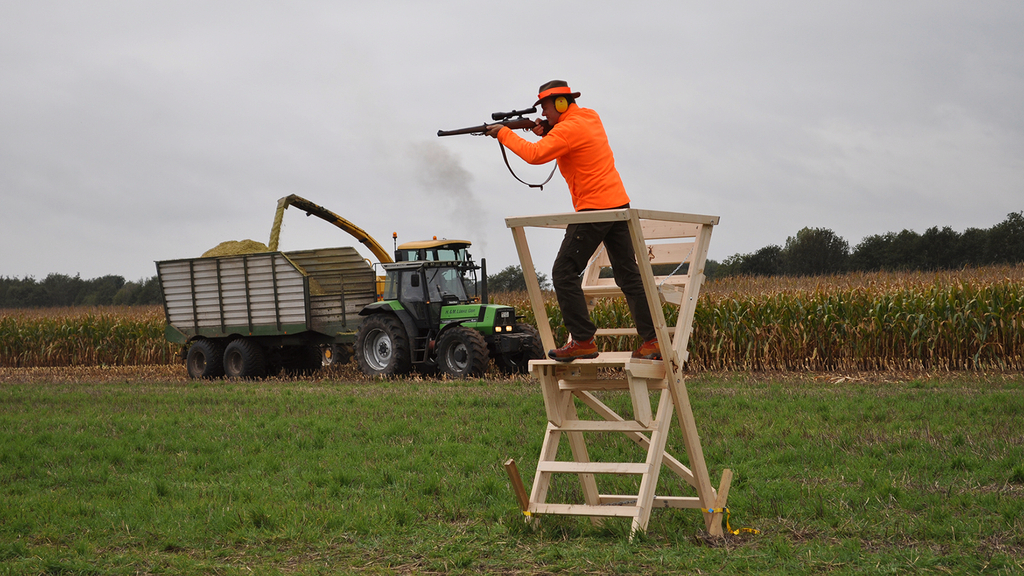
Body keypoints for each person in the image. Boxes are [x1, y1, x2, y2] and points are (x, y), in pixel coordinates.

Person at [486, 80, 660, 362]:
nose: (544, 113)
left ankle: (582, 340)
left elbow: (535, 155)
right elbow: (567, 140)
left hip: (594, 207)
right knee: (628, 275)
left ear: (561, 103)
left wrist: (505, 134)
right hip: (618, 204)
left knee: (563, 272)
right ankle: (653, 340)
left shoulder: (568, 128)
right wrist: (546, 130)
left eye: (545, 107)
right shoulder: (590, 116)